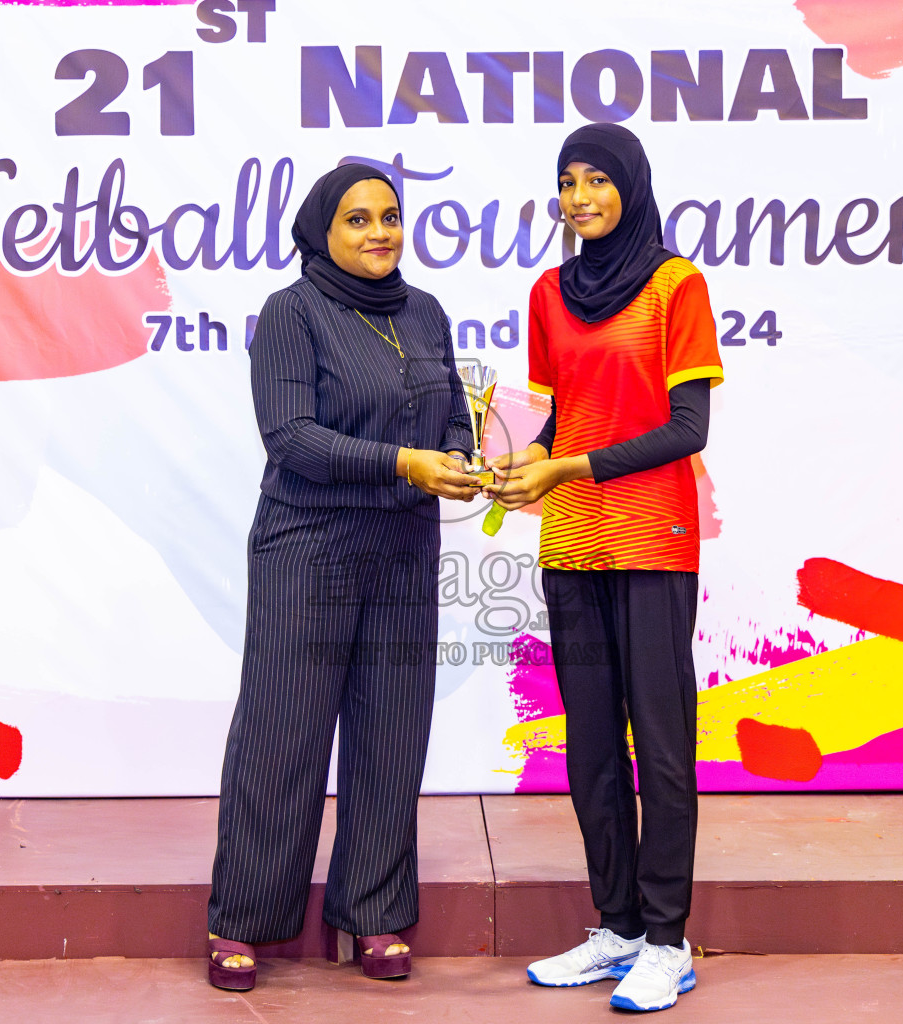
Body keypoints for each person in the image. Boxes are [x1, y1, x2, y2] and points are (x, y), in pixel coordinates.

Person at [206, 162, 480, 992]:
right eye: (358, 219)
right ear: (323, 231)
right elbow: (290, 438)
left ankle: (375, 912)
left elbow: (453, 417)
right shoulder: (293, 314)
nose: (380, 233)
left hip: (402, 549)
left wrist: (464, 460)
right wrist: (406, 461)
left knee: (391, 734)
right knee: (283, 733)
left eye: (390, 217)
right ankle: (242, 919)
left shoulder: (426, 312)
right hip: (309, 546)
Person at [486, 123, 723, 1013]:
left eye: (597, 180)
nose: (580, 196)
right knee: (590, 747)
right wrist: (516, 465)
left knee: (660, 749)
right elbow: (553, 422)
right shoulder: (549, 292)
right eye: (566, 181)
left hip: (654, 541)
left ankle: (669, 939)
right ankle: (617, 926)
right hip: (572, 541)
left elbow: (687, 429)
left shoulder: (675, 284)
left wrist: (567, 467)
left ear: (630, 186)